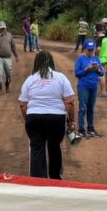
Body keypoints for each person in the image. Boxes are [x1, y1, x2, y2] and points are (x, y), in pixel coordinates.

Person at [18, 51, 77, 179]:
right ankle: (55, 178)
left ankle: (38, 181)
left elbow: (23, 104)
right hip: (56, 119)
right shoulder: (61, 78)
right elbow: (70, 103)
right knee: (55, 146)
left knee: (36, 149)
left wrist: (28, 119)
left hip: (34, 118)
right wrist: (72, 121)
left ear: (36, 63)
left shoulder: (30, 79)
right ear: (51, 62)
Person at [74, 38, 105, 138]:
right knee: (83, 108)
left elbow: (102, 72)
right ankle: (81, 130)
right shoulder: (80, 59)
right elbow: (77, 73)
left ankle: (91, 129)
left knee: (90, 108)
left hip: (93, 86)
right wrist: (86, 69)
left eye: (92, 49)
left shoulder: (96, 58)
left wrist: (97, 69)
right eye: (89, 49)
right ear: (85, 49)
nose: (91, 51)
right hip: (83, 87)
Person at [0, 21, 19, 95]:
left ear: (5, 28)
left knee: (9, 74)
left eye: (3, 28)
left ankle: (7, 85)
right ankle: (0, 89)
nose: (2, 30)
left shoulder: (9, 35)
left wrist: (16, 56)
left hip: (8, 58)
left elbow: (13, 46)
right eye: (1, 28)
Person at [98, 26, 107, 96]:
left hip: (101, 58)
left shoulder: (101, 39)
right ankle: (103, 91)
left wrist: (98, 56)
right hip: (105, 58)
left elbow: (99, 49)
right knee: (103, 75)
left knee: (101, 75)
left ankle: (103, 91)